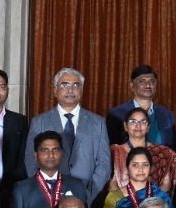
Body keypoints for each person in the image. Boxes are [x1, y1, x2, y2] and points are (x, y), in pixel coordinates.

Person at [23, 68, 112, 199]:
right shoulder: (39, 122)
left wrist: (89, 192)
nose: (70, 90)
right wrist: (43, 190)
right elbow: (31, 160)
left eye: (76, 85)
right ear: (55, 90)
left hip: (87, 195)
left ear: (81, 90)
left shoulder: (98, 122)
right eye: (64, 85)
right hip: (49, 195)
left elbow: (104, 162)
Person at [8, 132, 88, 208]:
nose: (50, 155)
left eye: (55, 150)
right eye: (44, 150)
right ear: (35, 155)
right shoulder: (21, 189)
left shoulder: (76, 185)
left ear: (61, 154)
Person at [102, 147, 176, 208]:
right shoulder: (114, 197)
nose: (140, 169)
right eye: (135, 165)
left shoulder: (161, 196)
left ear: (150, 168)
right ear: (127, 167)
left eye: (145, 165)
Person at [111, 106, 176, 196]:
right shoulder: (115, 151)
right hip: (122, 205)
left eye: (143, 122)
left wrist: (150, 203)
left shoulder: (162, 152)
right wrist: (127, 203)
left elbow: (166, 184)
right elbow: (111, 184)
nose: (138, 125)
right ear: (125, 126)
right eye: (133, 121)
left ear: (148, 127)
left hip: (154, 206)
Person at [107, 64, 176, 146]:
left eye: (152, 81)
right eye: (142, 81)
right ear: (132, 85)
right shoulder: (116, 114)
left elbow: (173, 149)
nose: (148, 85)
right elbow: (112, 148)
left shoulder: (167, 115)